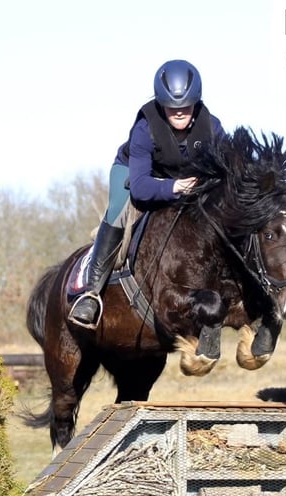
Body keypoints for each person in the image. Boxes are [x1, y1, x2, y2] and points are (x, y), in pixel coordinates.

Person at [68, 59, 225, 329]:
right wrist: (173, 187)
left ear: (196, 102)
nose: (179, 112)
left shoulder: (212, 127)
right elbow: (140, 188)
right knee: (119, 210)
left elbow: (226, 172)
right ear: (161, 104)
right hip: (136, 174)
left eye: (186, 106)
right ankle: (91, 294)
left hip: (186, 182)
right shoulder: (145, 127)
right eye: (172, 107)